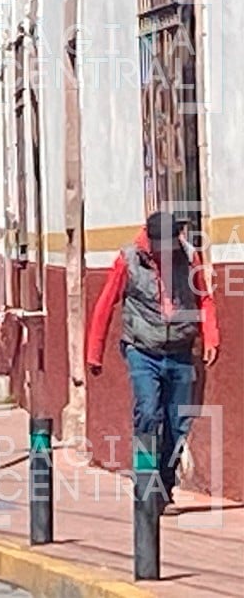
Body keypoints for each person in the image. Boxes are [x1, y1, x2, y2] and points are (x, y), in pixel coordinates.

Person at [85, 212, 219, 514]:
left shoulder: (189, 257)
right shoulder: (129, 260)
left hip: (180, 350)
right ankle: (146, 486)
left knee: (178, 423)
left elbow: (203, 299)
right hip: (142, 349)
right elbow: (105, 303)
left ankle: (164, 488)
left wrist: (210, 336)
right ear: (151, 241)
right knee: (148, 412)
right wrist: (95, 350)